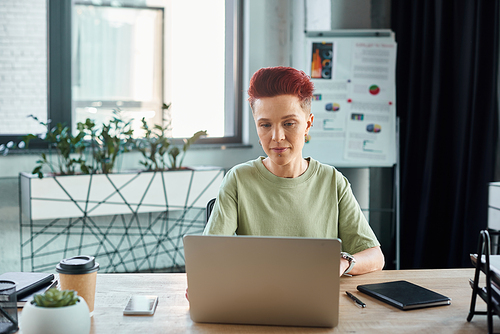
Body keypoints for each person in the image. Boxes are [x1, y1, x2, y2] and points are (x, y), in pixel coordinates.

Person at [203, 66, 384, 276]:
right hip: (256, 299)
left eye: (289, 123)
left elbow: (375, 257)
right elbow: (210, 256)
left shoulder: (333, 181)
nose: (277, 136)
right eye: (265, 125)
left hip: (317, 298)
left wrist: (342, 262)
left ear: (308, 124)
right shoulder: (238, 179)